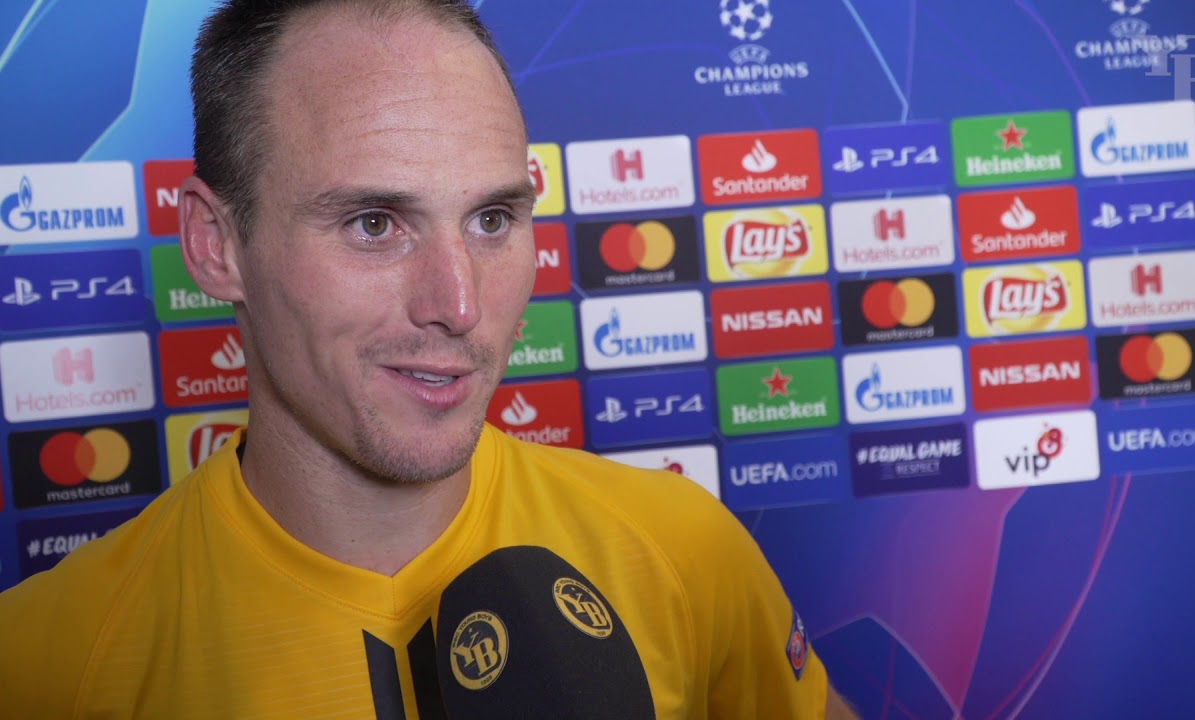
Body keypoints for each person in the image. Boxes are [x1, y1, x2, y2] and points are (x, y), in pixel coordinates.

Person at [0, 1, 859, 717]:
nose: (459, 304)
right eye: (374, 224)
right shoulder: (46, 661)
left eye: (492, 219)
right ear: (215, 244)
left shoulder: (684, 550)